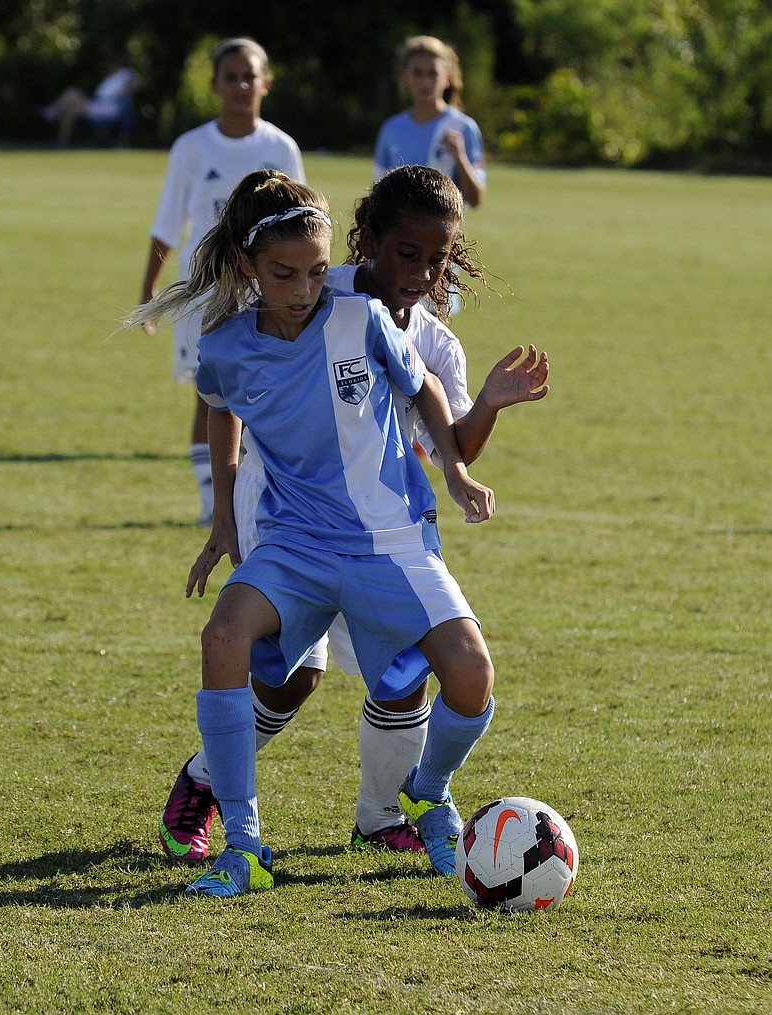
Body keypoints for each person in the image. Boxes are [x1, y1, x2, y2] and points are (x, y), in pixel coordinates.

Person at [158, 165, 550, 868]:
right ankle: (205, 786)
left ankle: (387, 813)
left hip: (387, 525)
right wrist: (225, 515)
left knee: (408, 677)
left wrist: (481, 416)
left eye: (437, 260)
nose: (423, 273)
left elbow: (447, 437)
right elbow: (226, 392)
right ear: (363, 242)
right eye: (407, 254)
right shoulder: (319, 288)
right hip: (284, 520)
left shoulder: (427, 339)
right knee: (289, 676)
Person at [140, 37, 304, 527]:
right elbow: (168, 223)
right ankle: (214, 504)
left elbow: (302, 219)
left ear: (266, 84)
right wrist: (149, 288)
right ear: (214, 86)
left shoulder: (279, 147)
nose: (240, 86)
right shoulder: (191, 147)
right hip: (206, 287)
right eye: (230, 77)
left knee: (267, 387)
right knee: (208, 392)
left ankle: (262, 496)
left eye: (249, 76)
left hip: (264, 287)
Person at [373, 36, 486, 210]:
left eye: (433, 73)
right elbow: (377, 193)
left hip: (443, 233)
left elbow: (476, 199)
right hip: (399, 232)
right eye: (417, 73)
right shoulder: (391, 128)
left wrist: (460, 157)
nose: (425, 82)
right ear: (405, 76)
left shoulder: (462, 127)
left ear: (447, 78)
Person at [39, 55, 141, 149]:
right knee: (70, 110)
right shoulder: (112, 77)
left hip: (107, 108)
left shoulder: (126, 73)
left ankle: (53, 112)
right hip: (98, 104)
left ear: (117, 65)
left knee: (72, 93)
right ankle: (62, 141)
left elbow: (137, 83)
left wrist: (126, 91)